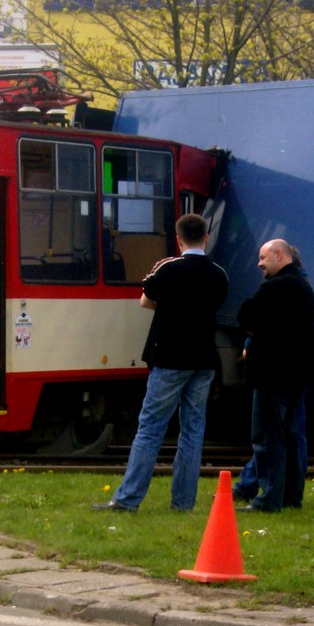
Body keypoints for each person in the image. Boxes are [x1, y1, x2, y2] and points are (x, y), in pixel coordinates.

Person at [93, 214, 229, 512]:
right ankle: (183, 503)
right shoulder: (219, 273)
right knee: (192, 431)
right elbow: (214, 304)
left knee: (151, 428)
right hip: (203, 359)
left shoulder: (169, 269)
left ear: (179, 240)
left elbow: (146, 300)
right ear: (206, 238)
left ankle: (128, 499)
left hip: (169, 357)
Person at [235, 239, 314, 512]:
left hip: (271, 374)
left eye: (262, 257)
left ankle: (269, 499)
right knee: (292, 437)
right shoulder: (304, 288)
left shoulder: (277, 287)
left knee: (268, 438)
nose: (259, 264)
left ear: (279, 255)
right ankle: (291, 497)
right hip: (296, 375)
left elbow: (245, 314)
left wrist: (255, 330)